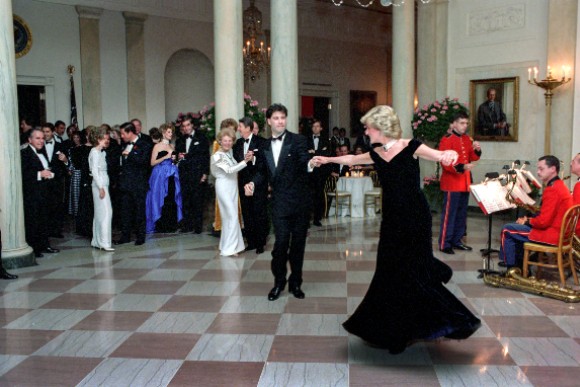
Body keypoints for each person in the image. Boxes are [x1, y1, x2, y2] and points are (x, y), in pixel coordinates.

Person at [313, 105, 481, 354]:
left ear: (380, 127)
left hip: (415, 217)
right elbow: (351, 159)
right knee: (389, 271)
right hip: (392, 219)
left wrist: (449, 156)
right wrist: (327, 159)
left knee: (413, 270)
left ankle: (430, 322)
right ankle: (392, 328)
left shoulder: (411, 146)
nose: (366, 132)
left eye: (369, 127)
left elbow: (439, 155)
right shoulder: (376, 152)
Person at [244, 103, 317, 301]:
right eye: (276, 118)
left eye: (282, 117)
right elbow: (261, 172)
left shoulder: (298, 140)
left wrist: (310, 164)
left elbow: (304, 161)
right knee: (280, 244)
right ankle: (279, 282)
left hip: (299, 202)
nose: (280, 121)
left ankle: (296, 283)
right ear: (269, 121)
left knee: (298, 246)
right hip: (278, 204)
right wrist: (252, 182)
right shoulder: (264, 146)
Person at [499, 155, 574, 268]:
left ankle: (512, 268)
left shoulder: (553, 189)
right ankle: (520, 265)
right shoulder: (559, 185)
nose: (538, 172)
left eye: (541, 169)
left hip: (551, 235)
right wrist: (528, 220)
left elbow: (543, 222)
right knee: (515, 227)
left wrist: (527, 221)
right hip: (560, 233)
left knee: (507, 229)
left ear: (553, 169)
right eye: (538, 168)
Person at [438, 111, 482, 254]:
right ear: (454, 124)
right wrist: (462, 167)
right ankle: (445, 243)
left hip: (464, 182)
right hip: (452, 182)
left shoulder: (467, 139)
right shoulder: (446, 139)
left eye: (466, 123)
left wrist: (477, 150)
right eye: (462, 123)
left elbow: (473, 157)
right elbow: (444, 162)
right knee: (449, 214)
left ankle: (457, 240)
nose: (465, 126)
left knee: (461, 214)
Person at [212, 127, 253, 256]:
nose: (228, 143)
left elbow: (235, 168)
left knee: (229, 217)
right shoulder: (217, 155)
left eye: (230, 140)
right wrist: (245, 161)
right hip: (223, 186)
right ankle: (229, 249)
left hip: (232, 187)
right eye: (225, 140)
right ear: (220, 141)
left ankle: (229, 245)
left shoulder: (229, 154)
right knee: (232, 216)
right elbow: (229, 170)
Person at [20, 128, 60, 258]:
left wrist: (48, 173)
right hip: (32, 194)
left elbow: (45, 169)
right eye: (37, 138)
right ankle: (34, 248)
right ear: (29, 140)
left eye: (42, 138)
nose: (41, 141)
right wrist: (39, 174)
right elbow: (23, 174)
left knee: (44, 219)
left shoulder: (41, 153)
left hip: (44, 192)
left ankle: (44, 245)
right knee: (33, 221)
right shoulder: (24, 153)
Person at [114, 122, 153, 246]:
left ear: (130, 132)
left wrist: (129, 155)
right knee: (125, 211)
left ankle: (140, 236)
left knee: (139, 211)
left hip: (138, 184)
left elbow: (144, 162)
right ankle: (125, 236)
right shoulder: (123, 145)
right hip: (125, 184)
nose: (122, 136)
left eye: (123, 133)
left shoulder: (145, 144)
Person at [234, 117, 269, 253]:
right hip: (243, 183)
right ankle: (251, 242)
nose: (238, 128)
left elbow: (265, 164)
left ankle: (260, 243)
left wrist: (253, 158)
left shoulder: (262, 142)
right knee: (247, 213)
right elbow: (237, 159)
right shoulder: (238, 143)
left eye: (240, 126)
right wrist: (243, 159)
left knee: (259, 213)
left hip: (258, 183)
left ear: (248, 128)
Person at [146, 123, 183, 234]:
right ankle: (160, 225)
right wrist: (165, 156)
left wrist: (178, 159)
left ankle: (171, 224)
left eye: (171, 132)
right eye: (168, 132)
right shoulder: (157, 146)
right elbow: (152, 163)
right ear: (163, 133)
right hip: (159, 175)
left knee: (171, 197)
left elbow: (174, 162)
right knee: (160, 197)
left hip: (171, 174)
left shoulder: (172, 146)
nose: (171, 134)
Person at [175, 116, 210, 234]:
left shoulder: (201, 137)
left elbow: (206, 157)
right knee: (186, 201)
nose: (186, 128)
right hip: (184, 175)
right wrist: (177, 157)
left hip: (198, 174)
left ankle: (198, 227)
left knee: (198, 201)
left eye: (188, 125)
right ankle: (187, 226)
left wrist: (205, 173)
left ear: (192, 125)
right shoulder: (179, 140)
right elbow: (175, 157)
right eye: (184, 126)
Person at [41, 122, 69, 238]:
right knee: (44, 205)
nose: (45, 134)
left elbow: (67, 163)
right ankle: (45, 231)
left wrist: (65, 160)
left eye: (47, 131)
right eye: (43, 132)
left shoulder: (60, 145)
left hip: (57, 180)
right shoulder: (38, 145)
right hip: (43, 180)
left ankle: (56, 230)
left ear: (52, 132)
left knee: (57, 205)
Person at [88, 127, 114, 251]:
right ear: (98, 139)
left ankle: (96, 240)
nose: (107, 141)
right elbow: (94, 171)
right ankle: (104, 242)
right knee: (106, 213)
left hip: (103, 183)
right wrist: (101, 187)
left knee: (100, 213)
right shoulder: (94, 152)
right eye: (105, 139)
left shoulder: (101, 152)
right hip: (100, 185)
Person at [307, 119, 332, 226]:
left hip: (321, 173)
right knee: (308, 196)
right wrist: (318, 153)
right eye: (314, 126)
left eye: (317, 126)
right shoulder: (306, 140)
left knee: (319, 195)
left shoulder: (326, 140)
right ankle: (307, 219)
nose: (315, 128)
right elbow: (304, 154)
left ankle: (317, 218)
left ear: (321, 128)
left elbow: (327, 154)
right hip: (309, 172)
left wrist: (314, 152)